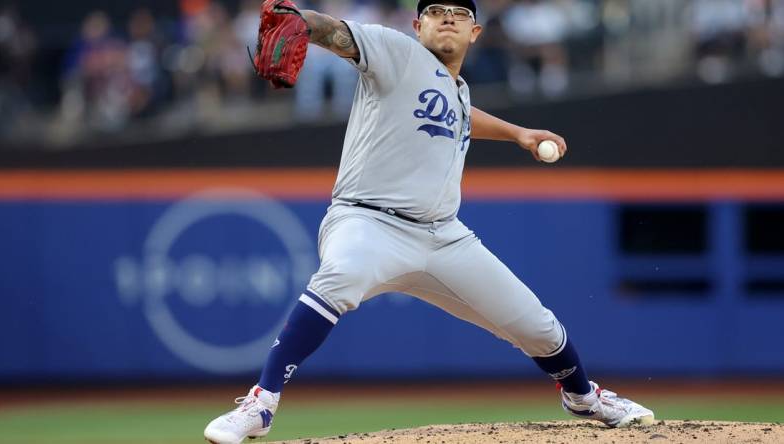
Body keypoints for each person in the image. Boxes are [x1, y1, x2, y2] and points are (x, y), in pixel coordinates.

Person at [204, 1, 654, 443]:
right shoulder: (396, 52)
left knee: (539, 326)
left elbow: (460, 114)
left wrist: (518, 133)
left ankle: (582, 397)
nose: (449, 20)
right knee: (339, 278)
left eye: (460, 15)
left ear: (474, 33)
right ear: (418, 25)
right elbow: (335, 32)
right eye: (438, 12)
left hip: (443, 238)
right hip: (368, 221)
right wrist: (301, 20)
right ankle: (261, 403)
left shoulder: (456, 89)